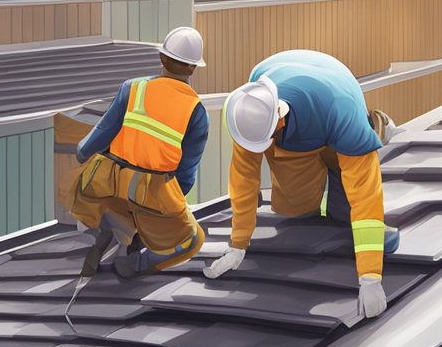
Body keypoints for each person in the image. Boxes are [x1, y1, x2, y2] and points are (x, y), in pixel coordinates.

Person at [204, 49, 399, 320]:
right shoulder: (248, 109)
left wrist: (370, 278)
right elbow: (244, 179)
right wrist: (238, 244)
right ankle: (322, 160)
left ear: (280, 118)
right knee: (295, 208)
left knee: (345, 193)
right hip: (287, 88)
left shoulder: (339, 111)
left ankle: (374, 126)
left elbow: (366, 197)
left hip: (335, 96)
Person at [69, 26, 209, 281]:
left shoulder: (132, 88)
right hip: (150, 190)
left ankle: (114, 229)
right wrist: (167, 209)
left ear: (162, 58)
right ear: (192, 68)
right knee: (192, 240)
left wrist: (82, 154)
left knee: (109, 191)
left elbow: (95, 139)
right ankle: (134, 262)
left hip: (107, 183)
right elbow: (186, 176)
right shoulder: (196, 111)